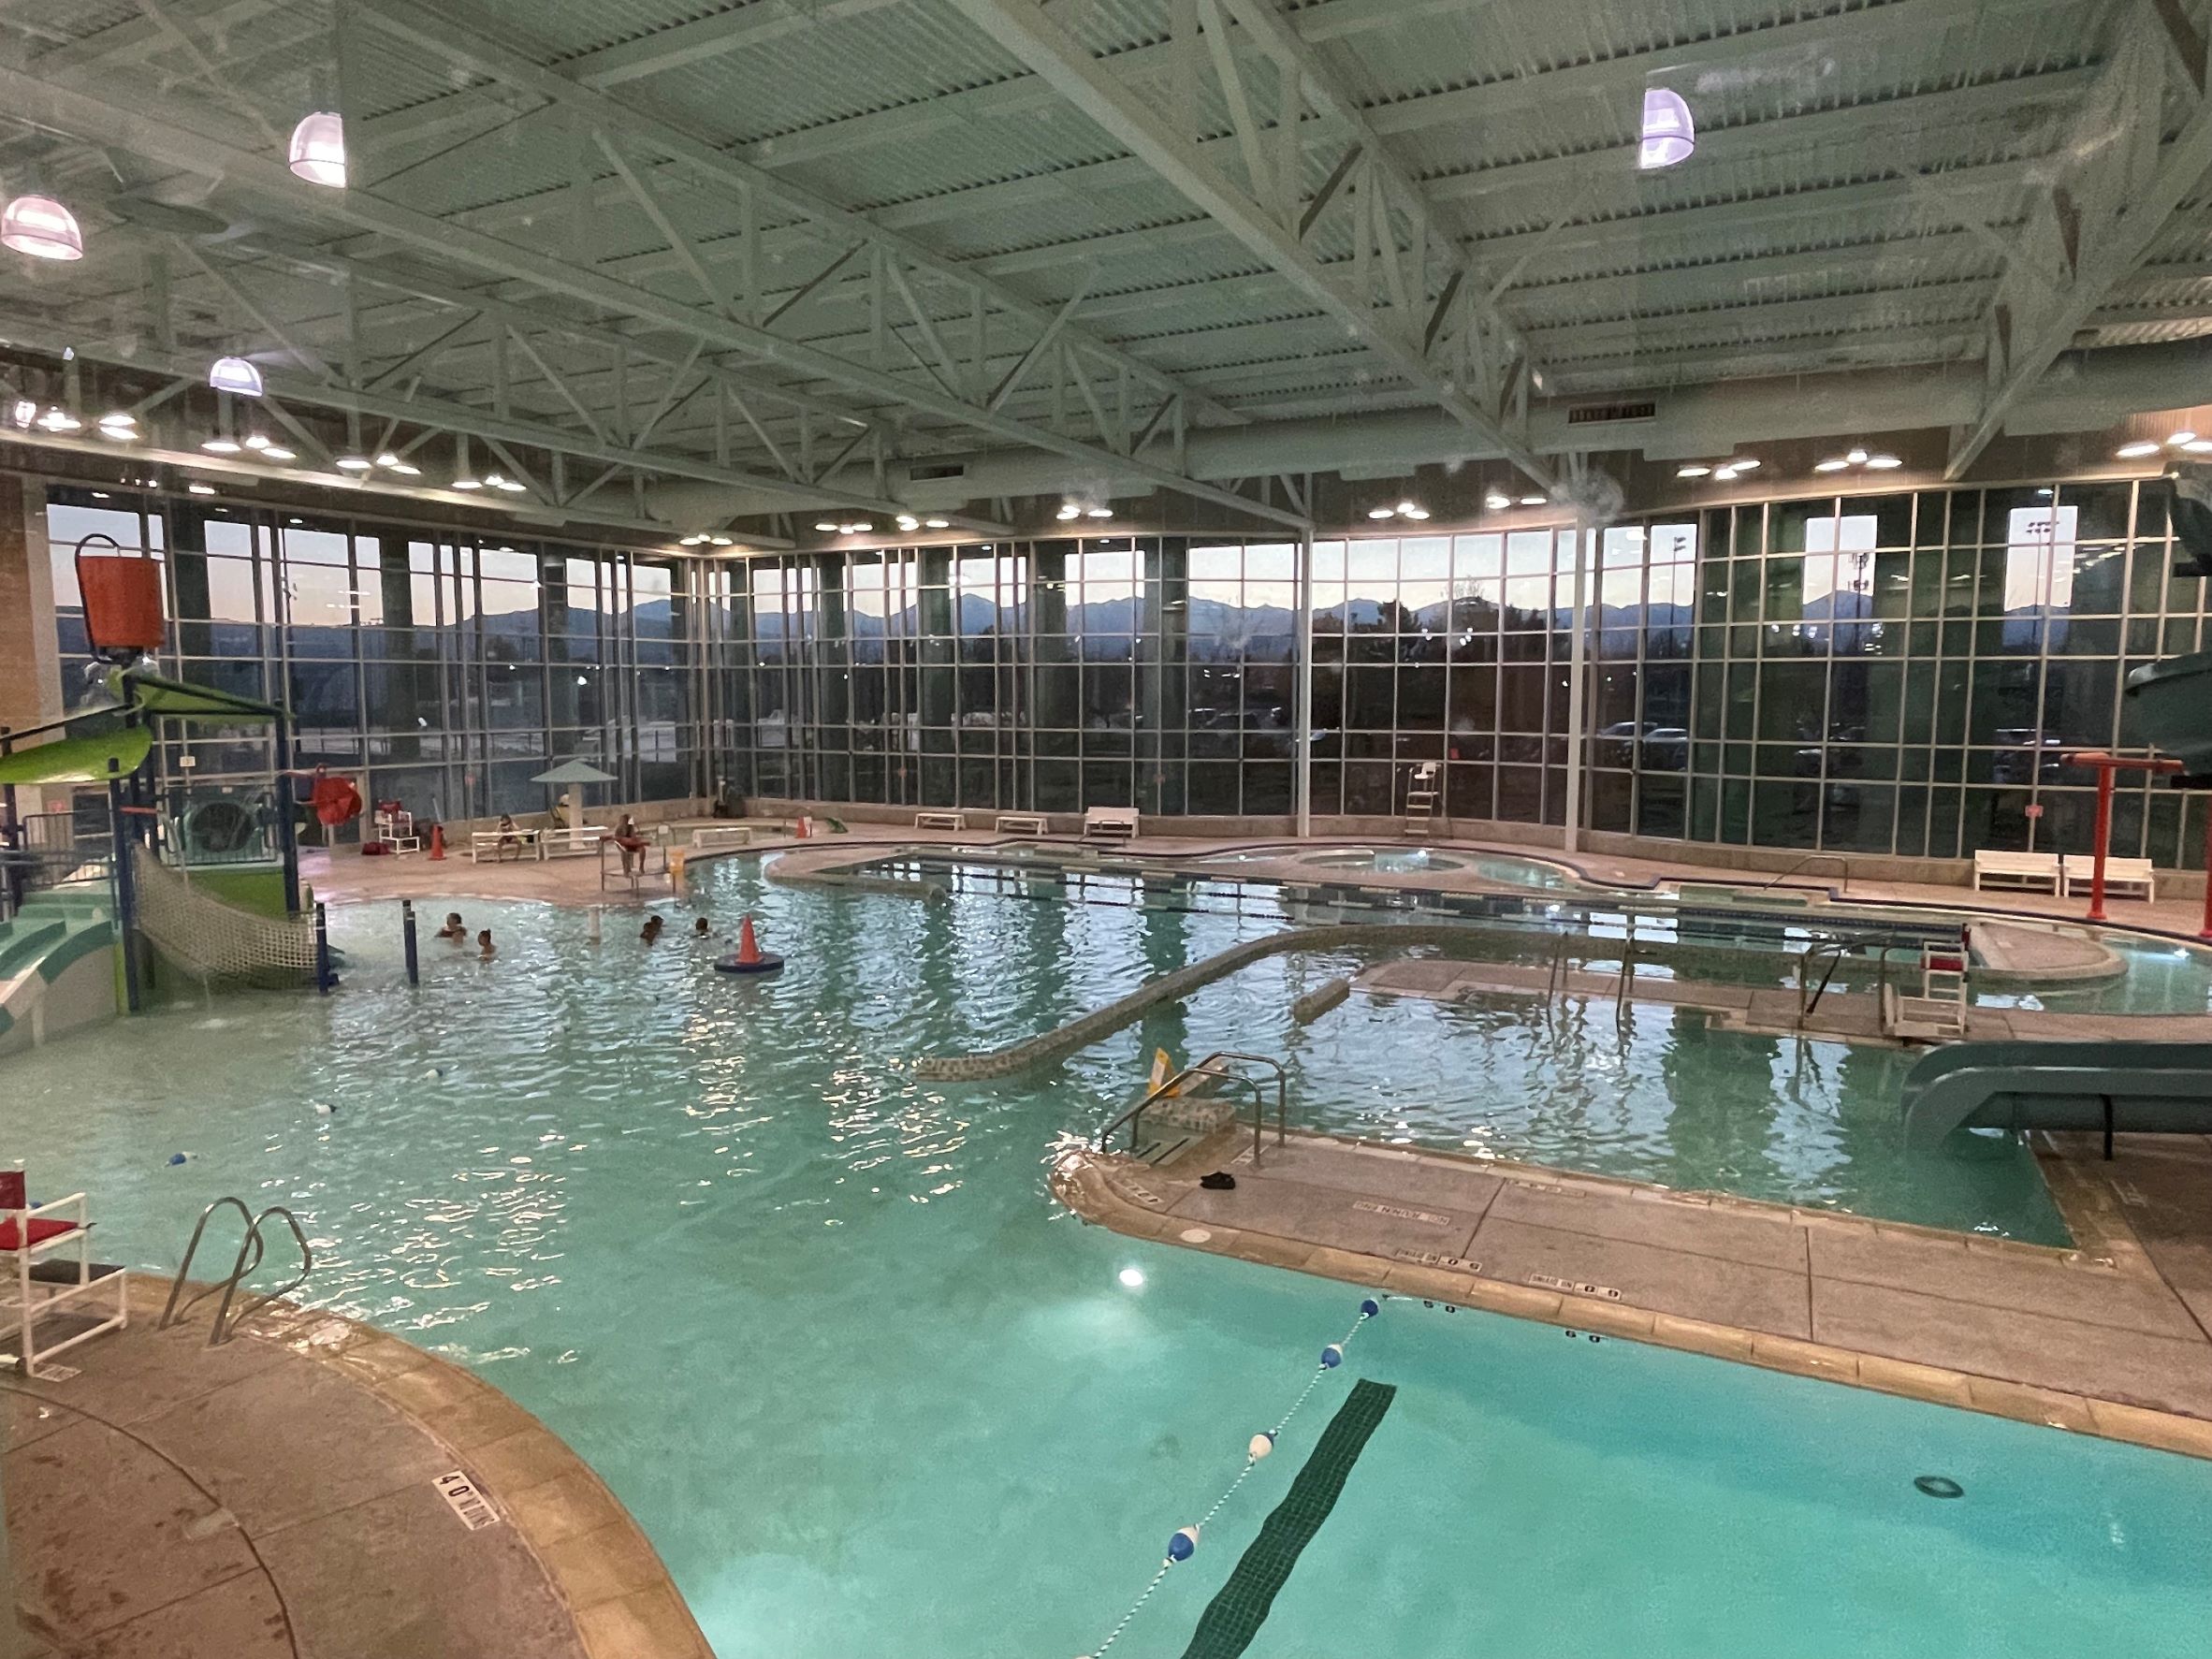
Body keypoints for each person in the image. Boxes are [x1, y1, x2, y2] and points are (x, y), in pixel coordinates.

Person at [612, 811, 648, 875]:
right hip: (623, 845)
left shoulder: (631, 827)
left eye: (626, 820)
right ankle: (626, 868)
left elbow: (633, 836)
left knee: (642, 849)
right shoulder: (618, 828)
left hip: (631, 844)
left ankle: (641, 866)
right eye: (624, 820)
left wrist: (634, 838)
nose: (625, 822)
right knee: (624, 850)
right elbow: (616, 838)